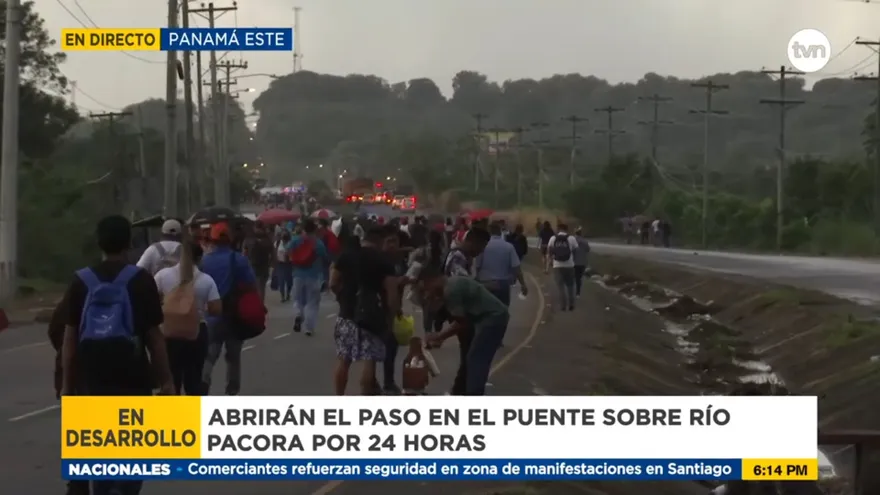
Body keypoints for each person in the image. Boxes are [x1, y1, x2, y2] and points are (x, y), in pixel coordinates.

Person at [60, 215, 174, 495]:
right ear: (128, 243)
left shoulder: (80, 281)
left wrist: (67, 386)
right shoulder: (140, 280)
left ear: (98, 242)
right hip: (132, 377)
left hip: (91, 379)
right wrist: (167, 381)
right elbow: (154, 338)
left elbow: (70, 338)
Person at [329, 226, 399, 395]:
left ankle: (339, 399)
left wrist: (342, 298)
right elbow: (392, 296)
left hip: (346, 314)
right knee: (370, 360)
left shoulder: (347, 256)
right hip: (372, 317)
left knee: (343, 360)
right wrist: (391, 318)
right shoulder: (384, 262)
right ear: (380, 241)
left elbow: (333, 282)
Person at [420, 267, 509, 396]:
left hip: (492, 317)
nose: (428, 291)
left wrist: (439, 336)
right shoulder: (451, 285)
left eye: (427, 287)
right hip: (487, 317)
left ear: (433, 280)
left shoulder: (450, 290)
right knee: (474, 357)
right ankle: (468, 391)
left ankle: (473, 394)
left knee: (476, 358)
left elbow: (461, 323)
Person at [154, 241, 221, 396]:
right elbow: (216, 309)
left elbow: (151, 300)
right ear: (199, 258)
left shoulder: (162, 276)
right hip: (196, 333)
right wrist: (199, 308)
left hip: (169, 333)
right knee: (194, 379)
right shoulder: (206, 280)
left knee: (172, 377)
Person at [199, 222, 258, 396]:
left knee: (210, 354)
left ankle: (203, 381)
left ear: (213, 239)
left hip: (212, 315)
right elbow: (251, 284)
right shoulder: (239, 259)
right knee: (233, 357)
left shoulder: (205, 261)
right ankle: (231, 391)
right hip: (235, 316)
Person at [288, 218, 329, 336]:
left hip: (297, 275)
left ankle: (298, 314)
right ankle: (309, 328)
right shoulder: (318, 243)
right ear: (315, 229)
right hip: (314, 275)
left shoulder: (296, 240)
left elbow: (288, 252)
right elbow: (325, 257)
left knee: (297, 299)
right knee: (312, 302)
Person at [475, 222, 527, 307]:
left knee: (487, 310)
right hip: (502, 285)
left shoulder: (482, 246)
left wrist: (477, 281)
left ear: (489, 233)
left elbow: (477, 266)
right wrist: (523, 284)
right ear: (500, 232)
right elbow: (516, 268)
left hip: (486, 284)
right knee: (502, 311)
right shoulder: (509, 247)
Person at [546, 223, 580, 311]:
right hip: (569, 265)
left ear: (558, 229)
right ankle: (571, 304)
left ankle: (563, 306)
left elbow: (549, 251)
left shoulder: (553, 238)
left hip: (557, 266)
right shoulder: (571, 238)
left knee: (560, 287)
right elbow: (576, 250)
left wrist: (551, 261)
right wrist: (574, 260)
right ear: (566, 229)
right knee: (570, 286)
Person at [242, 221, 275, 303]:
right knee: (262, 288)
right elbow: (273, 253)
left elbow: (244, 254)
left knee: (254, 288)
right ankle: (261, 305)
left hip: (253, 266)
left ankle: (256, 307)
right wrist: (272, 264)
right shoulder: (267, 238)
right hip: (264, 266)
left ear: (255, 227)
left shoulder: (249, 238)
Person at [275, 230, 294, 301]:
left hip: (289, 263)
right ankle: (282, 296)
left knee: (289, 281)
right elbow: (274, 252)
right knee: (281, 280)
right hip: (280, 263)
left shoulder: (291, 244)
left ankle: (288, 294)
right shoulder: (277, 243)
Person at [572, 227, 591, 298]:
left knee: (574, 277)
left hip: (574, 262)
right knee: (579, 278)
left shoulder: (572, 240)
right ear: (581, 233)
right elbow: (588, 250)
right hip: (582, 262)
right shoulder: (585, 241)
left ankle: (572, 290)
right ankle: (578, 293)